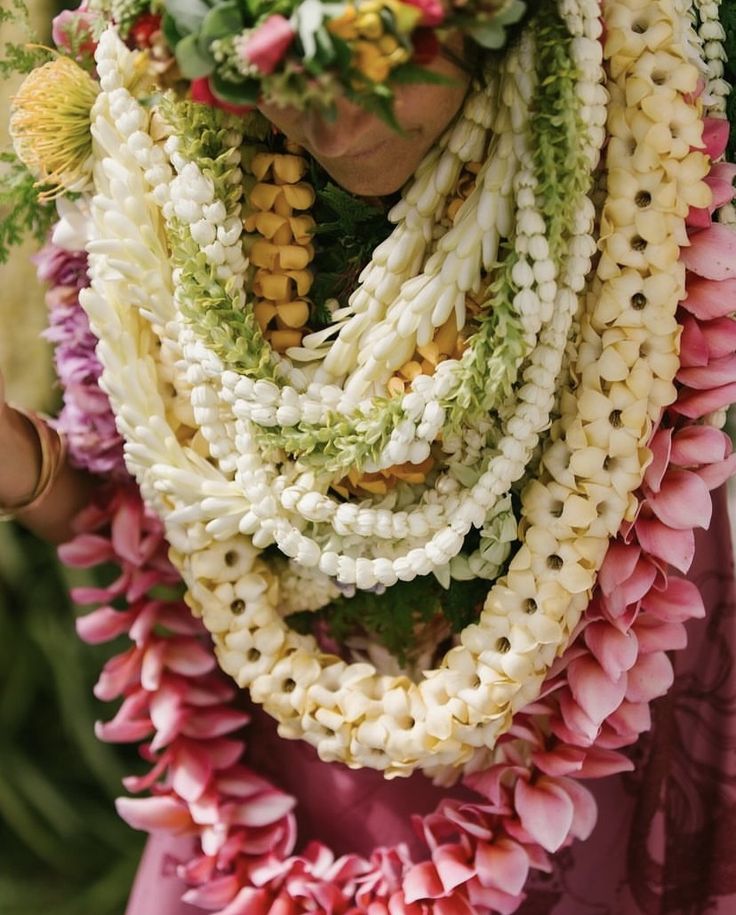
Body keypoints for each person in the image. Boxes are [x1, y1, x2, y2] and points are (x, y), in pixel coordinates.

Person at [3, 0, 736, 911]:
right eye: (274, 72)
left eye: (374, 61)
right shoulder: (158, 166)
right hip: (278, 797)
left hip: (587, 764)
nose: (332, 121)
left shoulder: (635, 155)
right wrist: (25, 470)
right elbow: (142, 533)